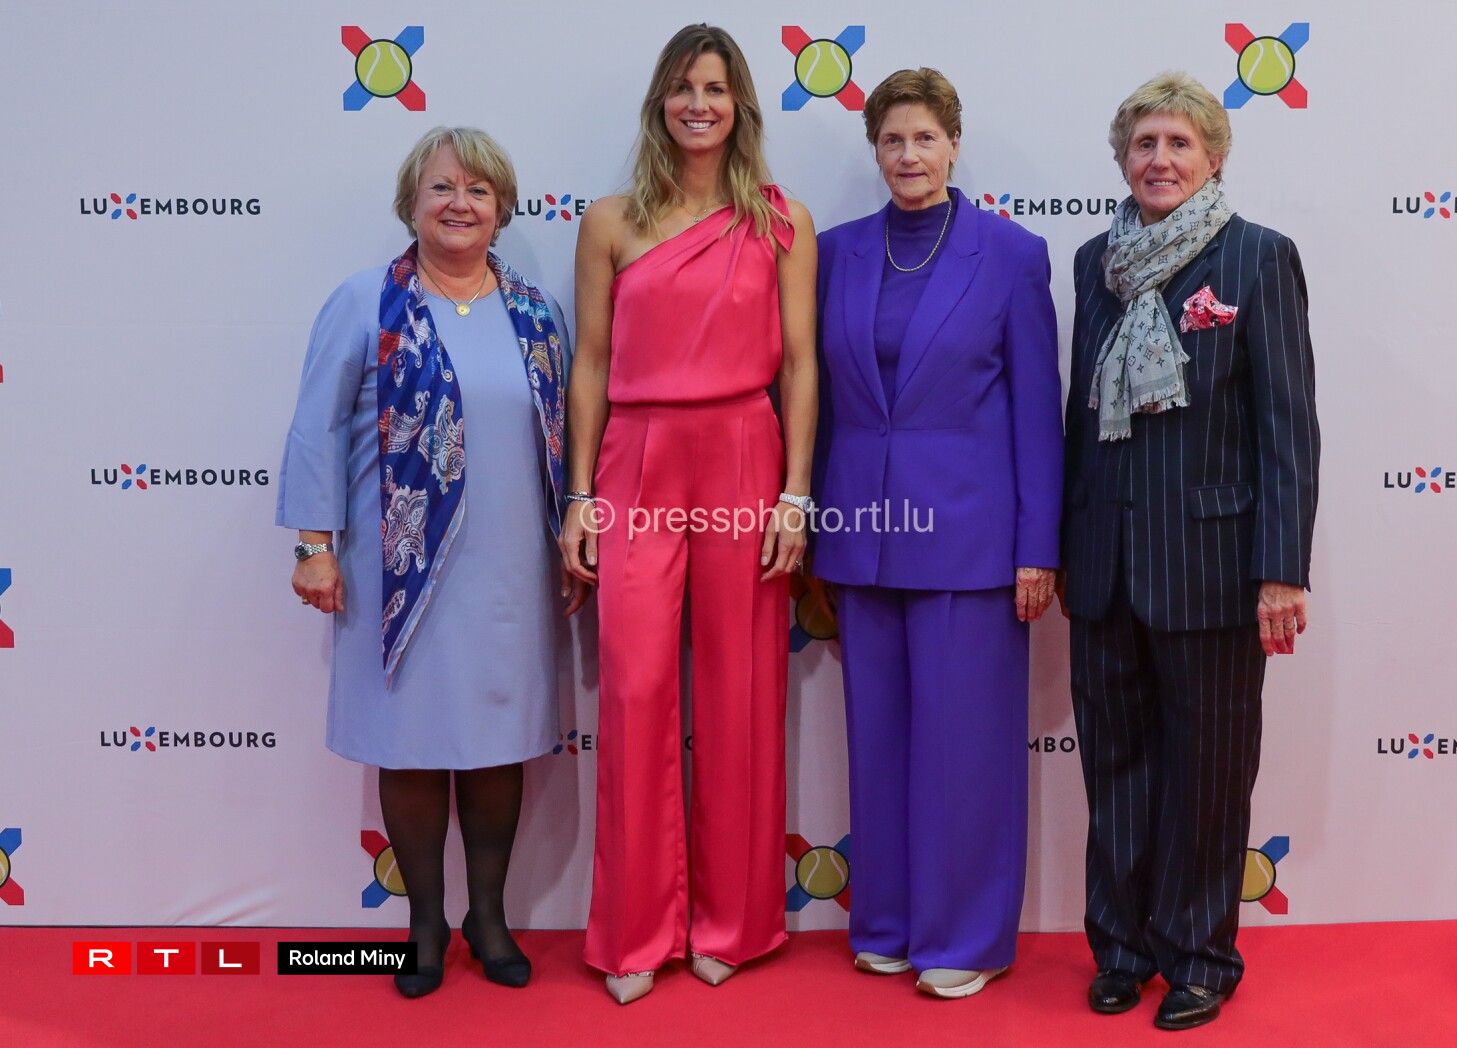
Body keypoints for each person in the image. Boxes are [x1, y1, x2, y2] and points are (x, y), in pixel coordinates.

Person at [277, 126, 586, 998]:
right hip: (397, 573)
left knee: (496, 745)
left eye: (479, 190)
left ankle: (488, 918)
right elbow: (316, 428)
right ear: (411, 203)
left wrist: (571, 533)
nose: (460, 204)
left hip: (511, 570)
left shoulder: (535, 312)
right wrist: (313, 547)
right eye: (442, 187)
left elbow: (565, 436)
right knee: (410, 746)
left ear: (503, 208)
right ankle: (422, 925)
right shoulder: (364, 302)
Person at [559, 23, 817, 1005]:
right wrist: (579, 497)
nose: (698, 104)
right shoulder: (610, 221)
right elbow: (589, 364)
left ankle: (734, 924)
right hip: (635, 459)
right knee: (632, 687)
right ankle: (635, 929)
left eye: (714, 87)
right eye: (682, 87)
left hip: (745, 453)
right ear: (659, 103)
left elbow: (801, 364)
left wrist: (795, 493)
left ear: (739, 102)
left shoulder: (782, 220)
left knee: (742, 689)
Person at [1059, 71, 1320, 1031]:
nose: (1159, 160)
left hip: (1211, 569)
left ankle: (1201, 956)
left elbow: (1288, 428)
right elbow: (1080, 419)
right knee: (1115, 770)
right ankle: (1123, 951)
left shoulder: (1258, 257)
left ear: (1214, 156)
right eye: (1144, 144)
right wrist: (1063, 548)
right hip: (1105, 566)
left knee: (1207, 776)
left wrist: (1281, 569)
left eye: (1178, 144)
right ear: (1122, 159)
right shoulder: (1094, 262)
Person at [812, 67, 1062, 999]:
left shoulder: (1011, 255)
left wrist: (1037, 547)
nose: (908, 155)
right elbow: (820, 405)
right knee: (877, 745)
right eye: (892, 140)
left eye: (924, 138)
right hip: (863, 536)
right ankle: (886, 920)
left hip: (971, 541)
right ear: (873, 150)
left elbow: (1037, 413)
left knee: (965, 751)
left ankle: (964, 936)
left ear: (955, 145)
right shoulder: (832, 253)